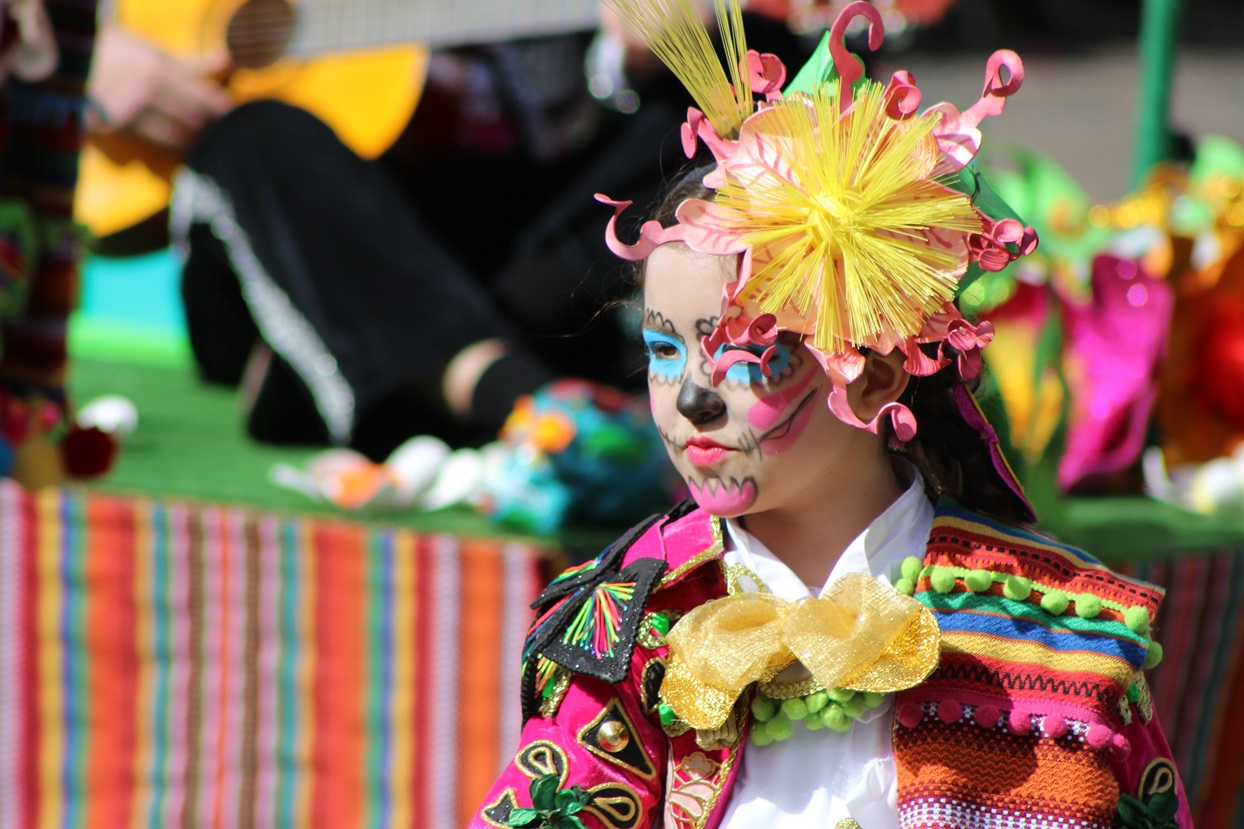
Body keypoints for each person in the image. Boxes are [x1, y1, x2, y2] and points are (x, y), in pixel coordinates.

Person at [469, 1, 1192, 826]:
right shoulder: (628, 629)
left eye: (742, 353)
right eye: (666, 351)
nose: (693, 398)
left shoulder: (1056, 639)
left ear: (878, 374)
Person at [85, 10, 812, 463]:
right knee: (250, 137)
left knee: (747, 74)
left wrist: (643, 49)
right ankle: (522, 401)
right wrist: (88, 41)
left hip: (530, 250)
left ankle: (388, 366)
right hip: (302, 223)